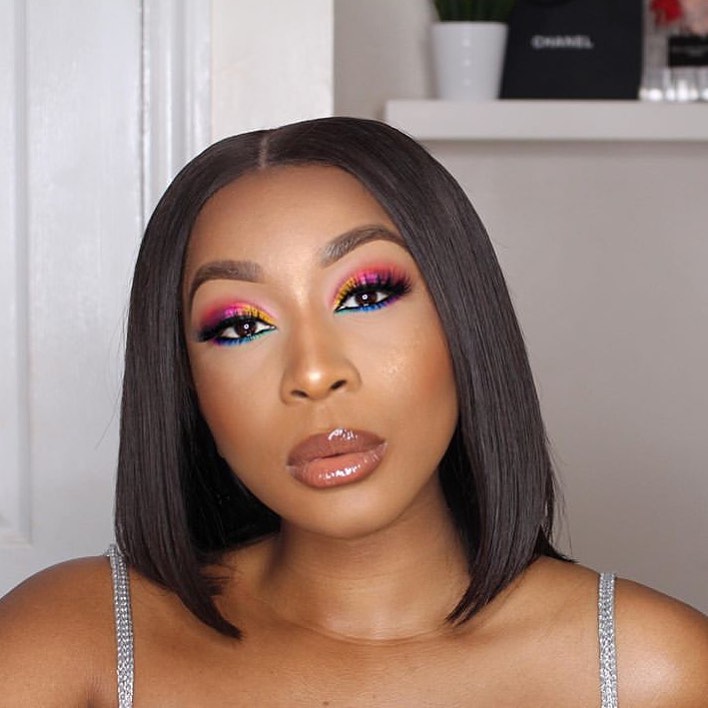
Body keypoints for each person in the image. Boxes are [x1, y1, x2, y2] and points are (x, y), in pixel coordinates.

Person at [0, 117, 706, 706]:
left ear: (463, 319)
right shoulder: (76, 640)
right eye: (241, 326)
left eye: (365, 294)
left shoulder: (650, 672)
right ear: (188, 386)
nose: (313, 373)